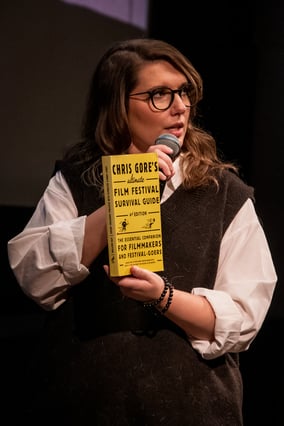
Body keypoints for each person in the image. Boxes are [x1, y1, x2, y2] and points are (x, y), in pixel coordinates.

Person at [7, 38, 277, 425]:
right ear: (118, 105)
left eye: (184, 92)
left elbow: (243, 316)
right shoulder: (77, 178)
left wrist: (163, 297)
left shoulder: (223, 193)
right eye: (159, 95)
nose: (180, 106)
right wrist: (129, 190)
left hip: (189, 405)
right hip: (82, 400)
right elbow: (35, 275)